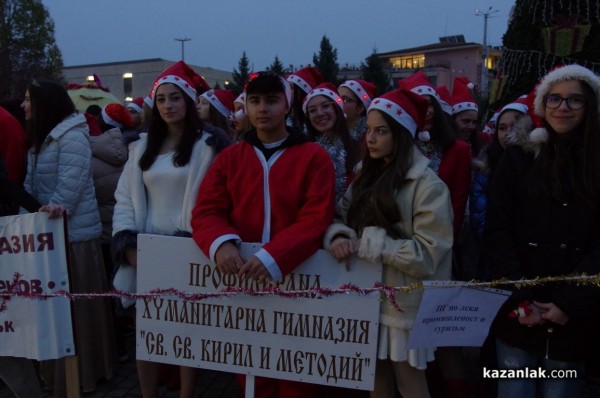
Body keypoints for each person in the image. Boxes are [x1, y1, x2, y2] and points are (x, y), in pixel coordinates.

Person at [192, 71, 336, 398]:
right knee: (252, 375)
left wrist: (273, 257)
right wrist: (220, 245)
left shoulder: (313, 156)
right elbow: (206, 210)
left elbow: (315, 219)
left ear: (287, 105)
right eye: (255, 101)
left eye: (271, 101)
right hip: (245, 285)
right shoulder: (231, 157)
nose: (262, 109)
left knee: (297, 377)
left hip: (298, 282)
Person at [324, 88, 453, 398]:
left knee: (410, 382)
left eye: (380, 131)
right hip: (366, 296)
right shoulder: (365, 175)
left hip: (404, 306)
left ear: (402, 134)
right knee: (376, 379)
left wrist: (374, 244)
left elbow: (428, 254)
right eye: (368, 130)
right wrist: (339, 236)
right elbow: (339, 216)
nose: (370, 138)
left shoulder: (427, 186)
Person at [111, 60, 230, 398]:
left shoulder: (207, 147)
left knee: (184, 330)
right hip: (145, 253)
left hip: (188, 250)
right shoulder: (140, 147)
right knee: (147, 332)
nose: (168, 105)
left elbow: (215, 201)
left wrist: (193, 244)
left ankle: (186, 394)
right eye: (161, 99)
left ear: (189, 102)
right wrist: (128, 245)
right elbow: (124, 200)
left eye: (175, 98)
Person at [483, 64, 600, 397]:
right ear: (542, 105)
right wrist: (522, 300)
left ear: (589, 105)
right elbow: (497, 229)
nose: (563, 108)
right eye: (554, 99)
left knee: (561, 390)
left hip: (574, 318)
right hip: (518, 316)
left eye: (574, 100)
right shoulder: (518, 158)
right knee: (512, 389)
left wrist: (569, 304)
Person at [20, 79, 117, 396]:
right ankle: (57, 373)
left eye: (28, 100)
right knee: (54, 312)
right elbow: (30, 186)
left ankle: (86, 372)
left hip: (72, 240)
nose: (23, 106)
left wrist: (40, 215)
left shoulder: (71, 137)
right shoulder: (42, 138)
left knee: (76, 312)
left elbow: (67, 192)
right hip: (48, 237)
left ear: (45, 103)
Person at [303, 82, 359, 202]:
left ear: (336, 108)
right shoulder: (303, 154)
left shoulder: (358, 149)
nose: (320, 113)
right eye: (312, 110)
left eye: (325, 106)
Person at [451, 76, 488, 157]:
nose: (471, 127)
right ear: (453, 120)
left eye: (474, 122)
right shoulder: (441, 147)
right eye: (466, 121)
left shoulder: (481, 143)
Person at [286, 66, 324, 132]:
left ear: (302, 92)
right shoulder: (284, 118)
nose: (287, 91)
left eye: (291, 87)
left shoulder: (313, 121)